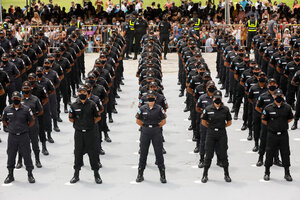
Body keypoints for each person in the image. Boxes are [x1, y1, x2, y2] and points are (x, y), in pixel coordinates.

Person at [69, 87, 102, 184]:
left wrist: (90, 124)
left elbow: (97, 117)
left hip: (89, 132)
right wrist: (79, 124)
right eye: (80, 92)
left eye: (84, 92)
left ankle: (96, 174)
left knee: (93, 153)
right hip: (79, 133)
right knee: (78, 153)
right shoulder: (74, 105)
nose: (82, 94)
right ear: (78, 93)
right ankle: (76, 174)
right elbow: (71, 118)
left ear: (87, 93)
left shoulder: (92, 104)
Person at [2, 91, 36, 184]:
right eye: (14, 98)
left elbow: (31, 121)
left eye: (17, 98)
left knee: (27, 154)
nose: (16, 100)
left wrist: (25, 128)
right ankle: (10, 174)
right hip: (12, 136)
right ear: (12, 99)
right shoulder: (7, 109)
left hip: (23, 136)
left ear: (20, 99)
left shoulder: (26, 109)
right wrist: (10, 127)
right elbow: (4, 120)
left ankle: (30, 174)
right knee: (11, 155)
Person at [262, 89, 293, 182]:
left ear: (283, 96)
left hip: (283, 134)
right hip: (272, 135)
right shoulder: (268, 108)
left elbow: (290, 118)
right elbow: (264, 120)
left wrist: (282, 124)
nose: (279, 97)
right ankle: (267, 172)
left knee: (285, 153)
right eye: (277, 96)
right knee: (269, 153)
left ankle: (287, 173)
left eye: (280, 96)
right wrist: (273, 126)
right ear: (274, 97)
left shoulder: (287, 107)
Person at [201, 90, 232, 183]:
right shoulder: (208, 109)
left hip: (221, 134)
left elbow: (229, 122)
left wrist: (221, 127)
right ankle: (205, 174)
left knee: (224, 155)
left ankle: (226, 175)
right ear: (213, 99)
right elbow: (203, 122)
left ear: (221, 99)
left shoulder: (225, 109)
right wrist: (212, 128)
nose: (217, 100)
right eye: (216, 98)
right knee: (209, 155)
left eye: (219, 98)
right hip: (211, 134)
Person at [135, 91, 167, 183]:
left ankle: (162, 175)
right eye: (149, 98)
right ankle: (140, 174)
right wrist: (145, 126)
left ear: (155, 98)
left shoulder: (159, 108)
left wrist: (155, 126)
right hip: (145, 132)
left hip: (156, 132)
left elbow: (163, 121)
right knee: (143, 153)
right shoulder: (142, 108)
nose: (150, 99)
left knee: (159, 153)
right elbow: (138, 120)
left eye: (152, 97)